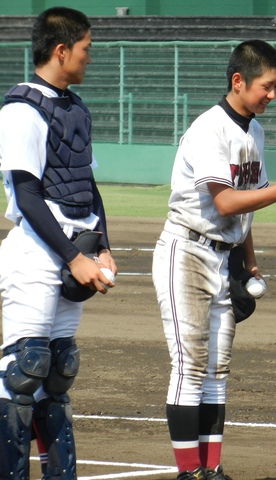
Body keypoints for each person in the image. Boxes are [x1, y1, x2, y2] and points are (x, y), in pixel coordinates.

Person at [151, 39, 276, 480]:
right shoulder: (209, 129)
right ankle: (187, 472)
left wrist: (249, 262)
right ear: (239, 81)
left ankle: (211, 469)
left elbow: (246, 209)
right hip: (187, 251)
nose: (273, 95)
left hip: (224, 256)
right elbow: (228, 201)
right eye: (267, 87)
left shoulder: (255, 130)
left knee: (217, 368)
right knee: (190, 364)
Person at [0, 7, 117, 480]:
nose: (90, 57)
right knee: (24, 371)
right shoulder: (21, 109)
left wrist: (102, 247)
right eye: (85, 49)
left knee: (57, 371)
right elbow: (26, 194)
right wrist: (72, 257)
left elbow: (86, 184)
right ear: (61, 49)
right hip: (36, 253)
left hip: (76, 251)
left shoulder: (74, 107)